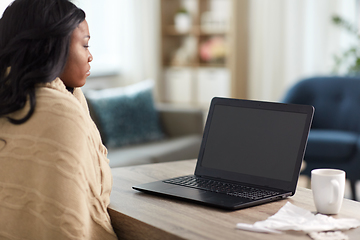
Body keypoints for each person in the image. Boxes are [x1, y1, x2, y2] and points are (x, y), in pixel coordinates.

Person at [0, 0, 118, 239]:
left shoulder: (9, 95)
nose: (90, 56)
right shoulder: (60, 114)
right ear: (51, 48)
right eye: (85, 45)